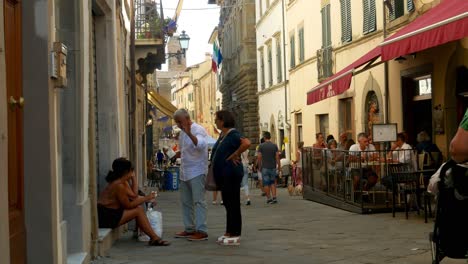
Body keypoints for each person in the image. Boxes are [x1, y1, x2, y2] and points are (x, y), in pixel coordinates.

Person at [97, 158, 170, 246]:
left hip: (111, 213)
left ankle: (151, 236)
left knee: (139, 205)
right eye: (131, 171)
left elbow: (133, 195)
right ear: (126, 171)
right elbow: (128, 205)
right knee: (138, 210)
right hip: (106, 216)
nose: (132, 173)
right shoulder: (118, 185)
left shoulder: (122, 182)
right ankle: (154, 238)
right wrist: (146, 198)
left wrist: (134, 178)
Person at [211, 110, 251, 246]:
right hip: (224, 175)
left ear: (223, 121)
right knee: (228, 203)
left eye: (216, 119)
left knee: (233, 203)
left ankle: (235, 233)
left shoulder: (233, 134)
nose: (215, 121)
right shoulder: (223, 135)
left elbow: (246, 143)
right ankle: (228, 231)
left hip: (231, 174)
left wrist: (235, 154)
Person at [173, 109, 209, 241]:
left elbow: (201, 145)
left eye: (179, 121)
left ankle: (202, 230)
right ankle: (189, 228)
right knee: (186, 202)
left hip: (197, 171)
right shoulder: (182, 133)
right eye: (176, 122)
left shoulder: (198, 129)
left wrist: (189, 133)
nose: (178, 125)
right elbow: (184, 150)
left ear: (187, 119)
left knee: (199, 201)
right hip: (184, 172)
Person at [257, 132, 281, 204]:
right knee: (273, 182)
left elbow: (259, 157)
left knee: (266, 184)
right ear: (270, 137)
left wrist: (259, 166)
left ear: (264, 138)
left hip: (265, 167)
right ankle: (274, 197)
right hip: (273, 167)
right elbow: (277, 157)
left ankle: (269, 198)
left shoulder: (261, 146)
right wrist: (279, 166)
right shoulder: (274, 146)